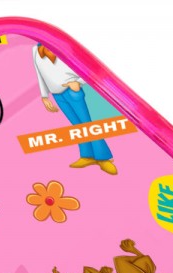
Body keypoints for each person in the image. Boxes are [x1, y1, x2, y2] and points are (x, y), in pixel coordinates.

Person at [33, 44, 118, 175]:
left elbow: (89, 67)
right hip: (57, 94)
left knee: (88, 124)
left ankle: (104, 157)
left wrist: (79, 81)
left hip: (72, 90)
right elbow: (39, 73)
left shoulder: (62, 45)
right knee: (77, 126)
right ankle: (87, 155)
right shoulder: (35, 50)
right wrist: (44, 96)